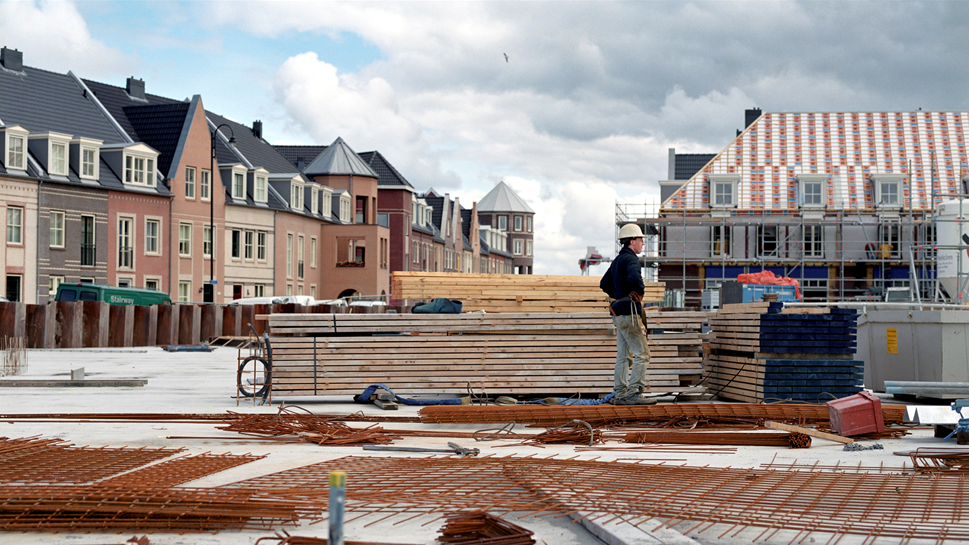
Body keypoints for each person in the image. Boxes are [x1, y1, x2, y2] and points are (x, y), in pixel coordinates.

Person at [600, 223, 655, 405]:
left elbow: (604, 283)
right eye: (641, 240)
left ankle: (620, 393)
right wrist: (637, 291)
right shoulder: (631, 259)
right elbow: (634, 278)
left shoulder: (617, 260)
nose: (643, 244)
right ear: (632, 241)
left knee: (623, 355)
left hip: (618, 312)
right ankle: (634, 392)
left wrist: (619, 295)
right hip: (630, 312)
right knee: (642, 354)